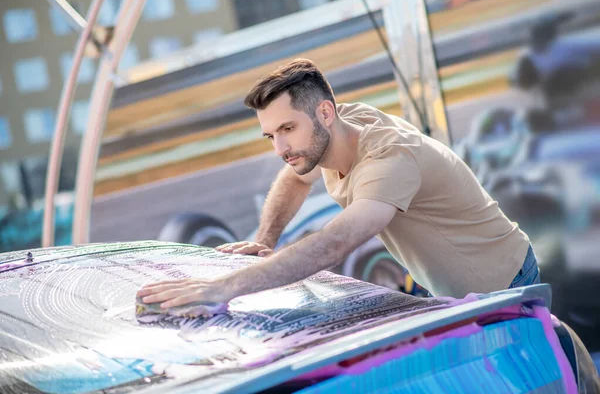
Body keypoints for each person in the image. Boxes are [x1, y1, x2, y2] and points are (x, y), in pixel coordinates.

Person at [137, 58, 540, 312]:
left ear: (324, 112)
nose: (280, 147)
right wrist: (265, 238)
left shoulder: (390, 158)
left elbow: (335, 243)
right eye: (271, 135)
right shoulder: (337, 127)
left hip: (504, 284)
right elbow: (294, 179)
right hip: (452, 291)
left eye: (288, 129)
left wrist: (223, 287)